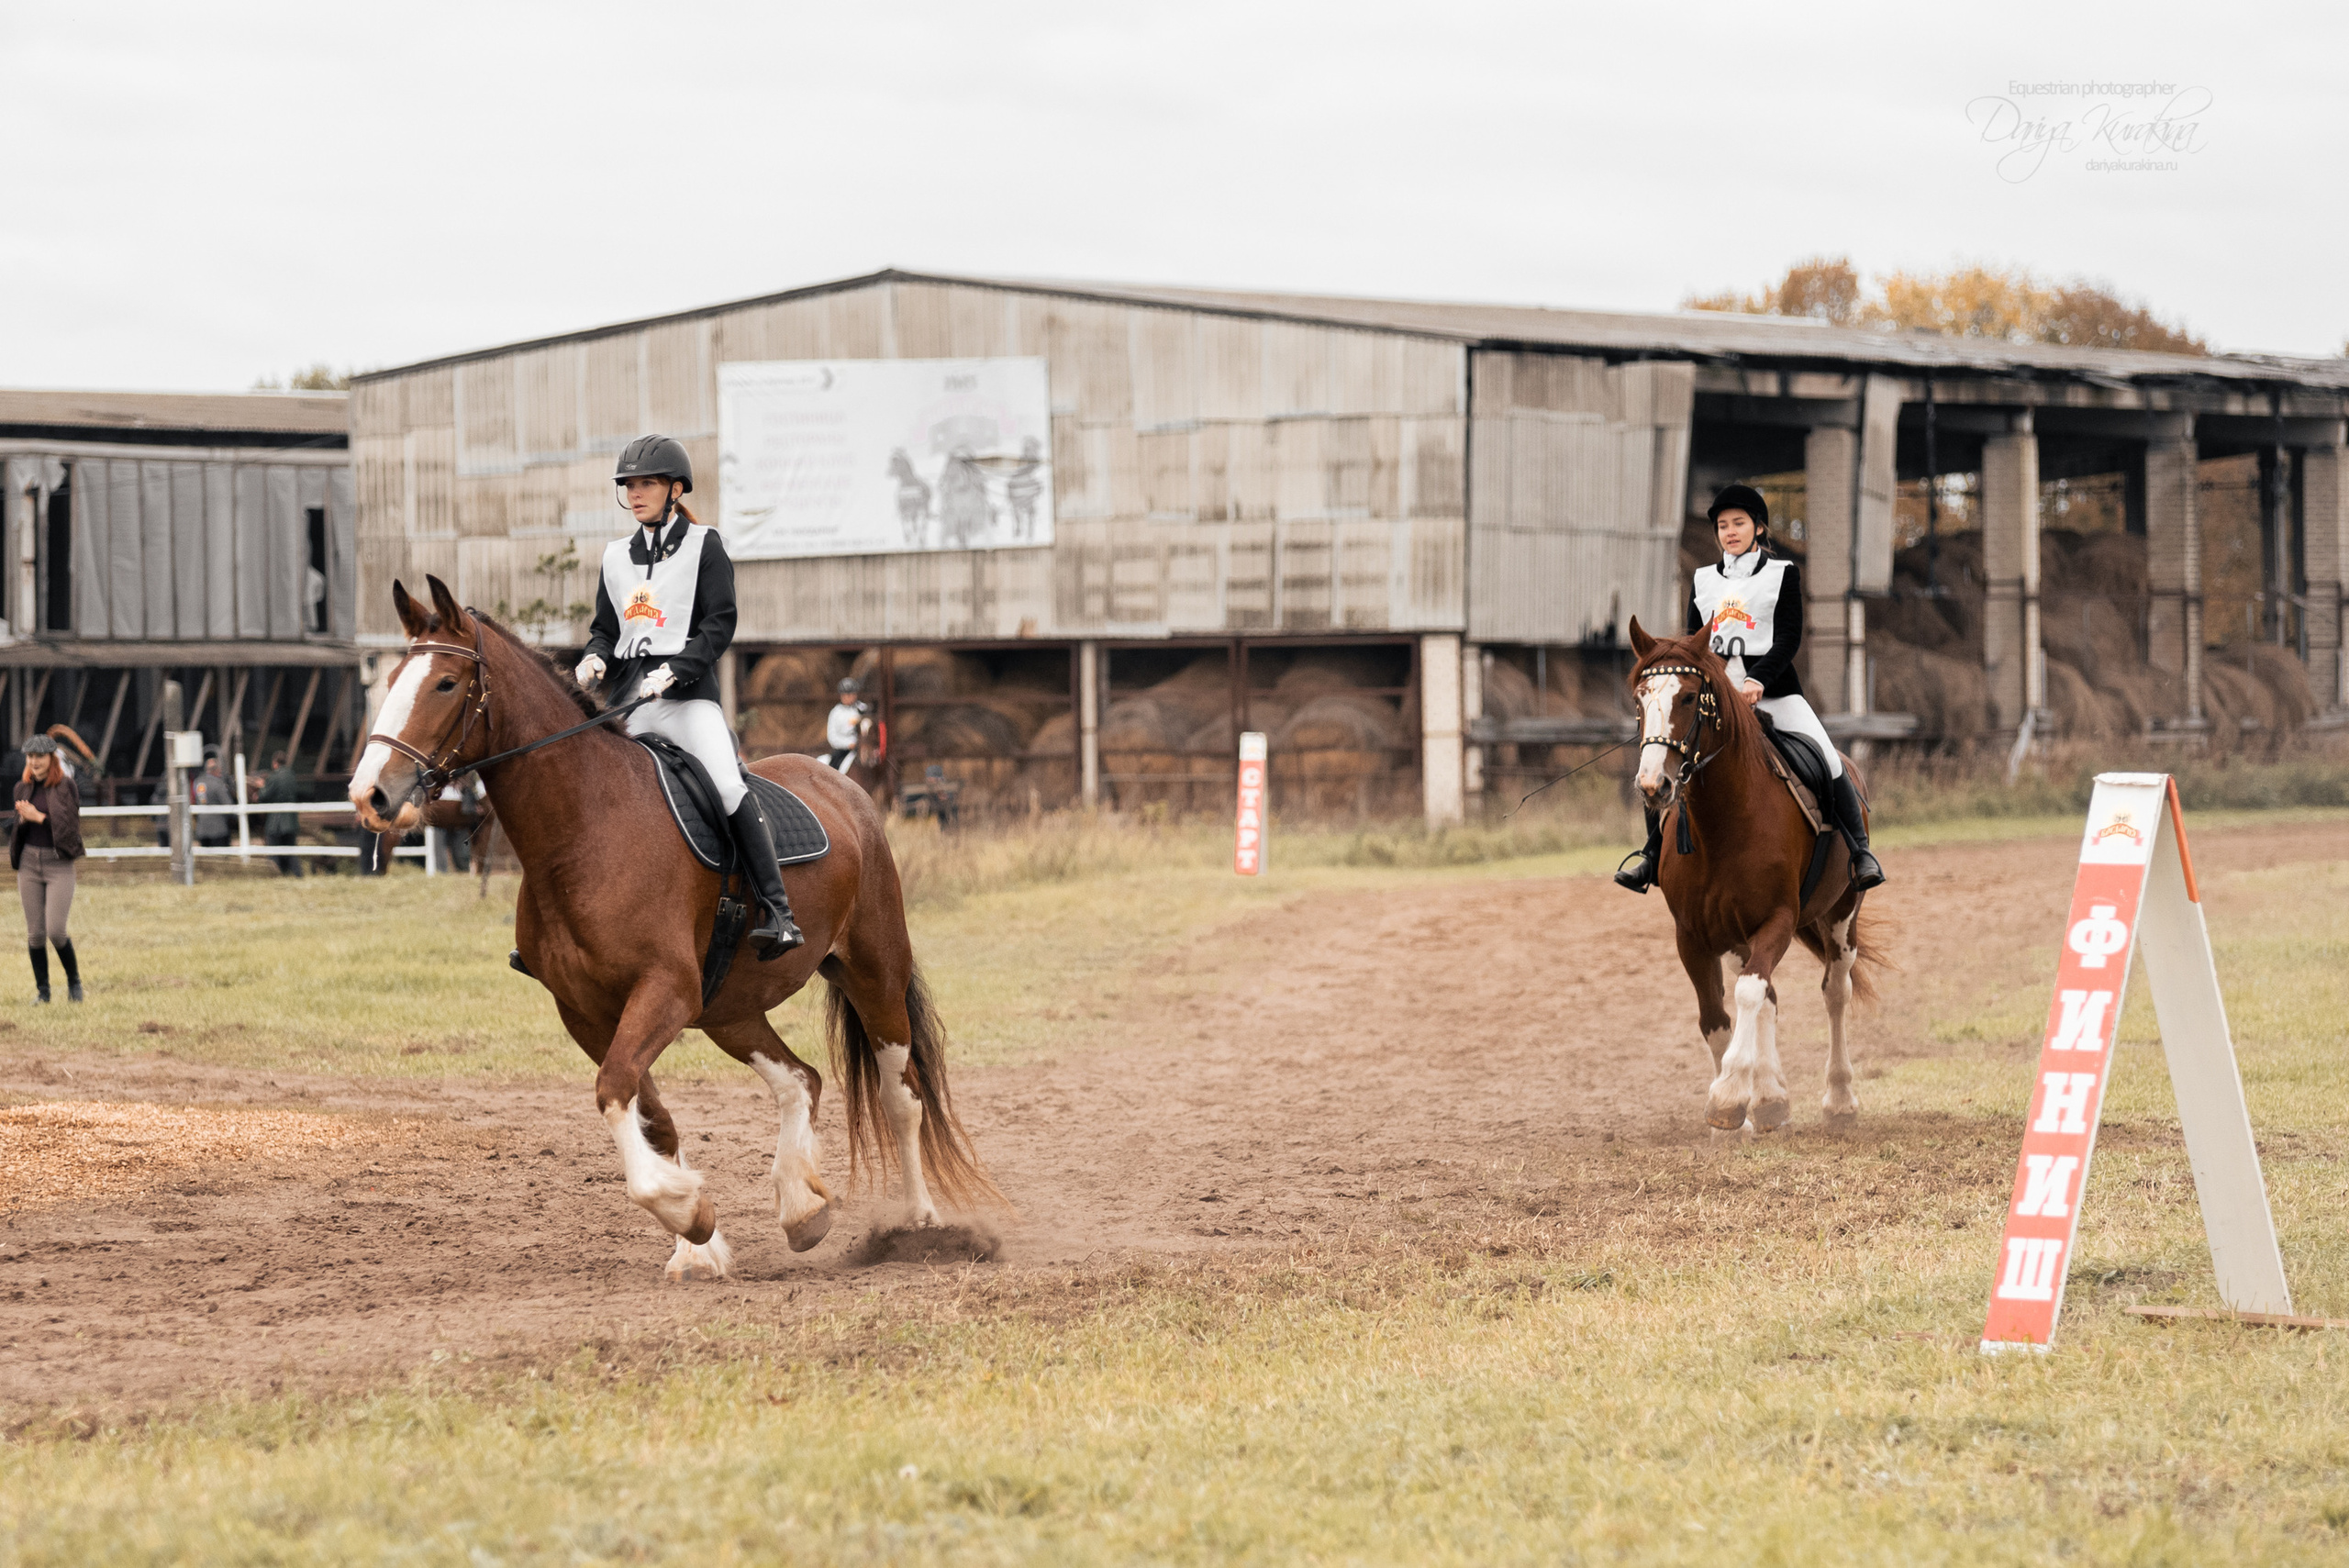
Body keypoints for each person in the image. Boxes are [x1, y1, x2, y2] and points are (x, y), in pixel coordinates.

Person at [576, 435, 803, 957]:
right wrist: (594, 657)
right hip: (629, 702)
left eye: (647, 484)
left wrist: (677, 671)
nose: (635, 493)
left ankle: (779, 911)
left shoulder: (706, 546)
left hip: (688, 699)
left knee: (726, 785)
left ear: (675, 489)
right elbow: (605, 630)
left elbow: (719, 626)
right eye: (629, 485)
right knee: (584, 788)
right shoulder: (615, 557)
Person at [1615, 484, 1885, 895]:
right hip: (1716, 696)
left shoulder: (1783, 574)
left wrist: (1760, 679)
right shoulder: (1703, 580)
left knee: (1827, 757)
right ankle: (1652, 855)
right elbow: (1693, 645)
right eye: (1723, 526)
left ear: (1758, 528)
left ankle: (1860, 851)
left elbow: (1790, 636)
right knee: (1663, 754)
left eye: (1738, 523)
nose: (1730, 532)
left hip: (1775, 690)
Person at [12, 735, 85, 1002]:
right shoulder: (22, 787)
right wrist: (22, 819)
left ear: (51, 759)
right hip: (29, 863)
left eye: (39, 757)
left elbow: (69, 831)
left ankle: (74, 983)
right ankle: (43, 992)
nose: (34, 762)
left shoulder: (67, 787)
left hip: (59, 864)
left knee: (56, 930)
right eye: (30, 757)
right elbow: (20, 829)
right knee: (35, 934)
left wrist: (38, 817)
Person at [260, 749, 304, 876]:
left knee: (274, 850)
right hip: (291, 820)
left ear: (275, 763)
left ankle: (276, 874)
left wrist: (262, 786)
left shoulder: (274, 777)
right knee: (291, 850)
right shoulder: (291, 775)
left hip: (276, 822)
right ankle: (297, 874)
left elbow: (264, 795)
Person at [821, 679, 868, 773]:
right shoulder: (836, 713)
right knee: (834, 770)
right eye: (847, 694)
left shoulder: (863, 709)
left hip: (863, 747)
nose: (850, 697)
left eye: (852, 694)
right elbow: (832, 736)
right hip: (844, 749)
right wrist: (848, 744)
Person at [192, 750, 234, 852]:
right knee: (220, 858)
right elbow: (228, 805)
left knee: (207, 861)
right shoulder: (218, 784)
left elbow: (195, 800)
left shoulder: (197, 783)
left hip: (202, 828)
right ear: (216, 770)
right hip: (218, 829)